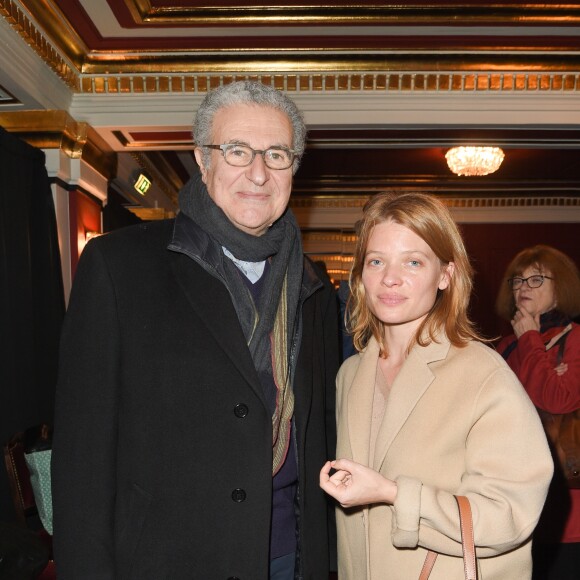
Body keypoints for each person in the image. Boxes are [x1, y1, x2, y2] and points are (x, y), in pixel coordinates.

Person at [52, 80, 340, 579]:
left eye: (276, 154)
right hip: (167, 559)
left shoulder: (312, 288)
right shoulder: (120, 267)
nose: (257, 172)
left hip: (286, 556)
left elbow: (322, 436)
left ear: (293, 169)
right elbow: (83, 462)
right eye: (236, 150)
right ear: (202, 160)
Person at [319, 191, 553, 579]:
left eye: (413, 261)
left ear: (446, 274)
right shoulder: (350, 375)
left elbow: (511, 515)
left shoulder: (482, 373)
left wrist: (394, 494)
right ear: (360, 274)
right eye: (376, 261)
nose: (390, 278)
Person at [495, 244, 580, 580]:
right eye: (517, 280)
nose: (522, 288)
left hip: (568, 511)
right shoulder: (504, 348)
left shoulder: (575, 340)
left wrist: (530, 337)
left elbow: (558, 400)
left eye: (536, 280)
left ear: (560, 290)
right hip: (511, 501)